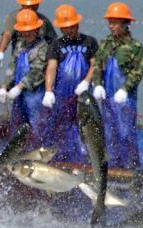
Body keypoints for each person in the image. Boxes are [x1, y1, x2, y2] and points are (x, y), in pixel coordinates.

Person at [89, 2, 143, 169]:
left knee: (126, 132)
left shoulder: (135, 47)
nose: (111, 26)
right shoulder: (105, 44)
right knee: (109, 133)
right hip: (107, 98)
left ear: (125, 23)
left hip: (125, 99)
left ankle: (132, 168)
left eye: (114, 22)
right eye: (110, 22)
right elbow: (98, 65)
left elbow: (138, 71)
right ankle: (113, 168)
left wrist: (125, 89)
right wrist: (97, 84)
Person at [40, 4, 96, 163]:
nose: (69, 30)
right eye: (65, 28)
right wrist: (48, 91)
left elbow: (94, 64)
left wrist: (86, 82)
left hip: (83, 97)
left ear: (77, 24)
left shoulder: (89, 42)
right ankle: (58, 160)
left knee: (83, 129)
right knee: (58, 128)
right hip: (62, 97)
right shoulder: (56, 46)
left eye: (71, 27)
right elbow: (51, 68)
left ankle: (84, 161)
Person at [0, 9, 47, 143]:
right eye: (25, 30)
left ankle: (38, 155)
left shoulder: (42, 47)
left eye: (30, 30)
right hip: (18, 96)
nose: (28, 33)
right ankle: (17, 156)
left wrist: (19, 87)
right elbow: (12, 67)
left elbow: (37, 71)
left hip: (34, 95)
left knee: (37, 126)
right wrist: (4, 87)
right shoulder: (19, 45)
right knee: (16, 125)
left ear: (37, 29)